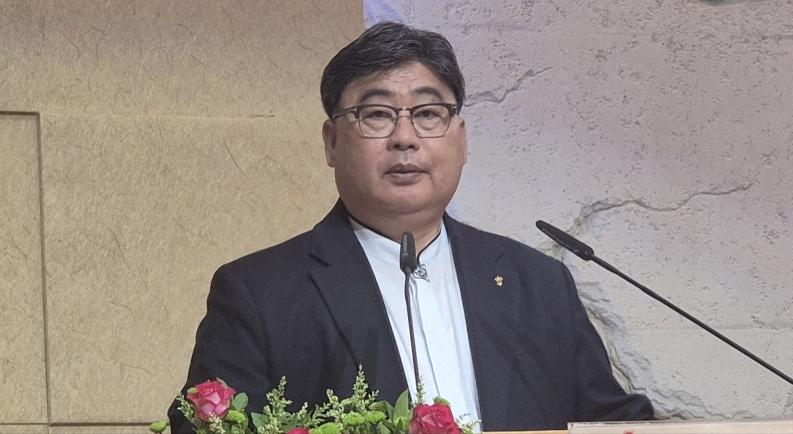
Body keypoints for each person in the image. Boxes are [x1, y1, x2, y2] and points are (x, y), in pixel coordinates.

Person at [170, 22, 654, 433]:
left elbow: (608, 421)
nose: (405, 138)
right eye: (377, 115)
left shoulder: (539, 284)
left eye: (427, 114)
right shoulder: (260, 293)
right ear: (332, 142)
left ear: (461, 140)